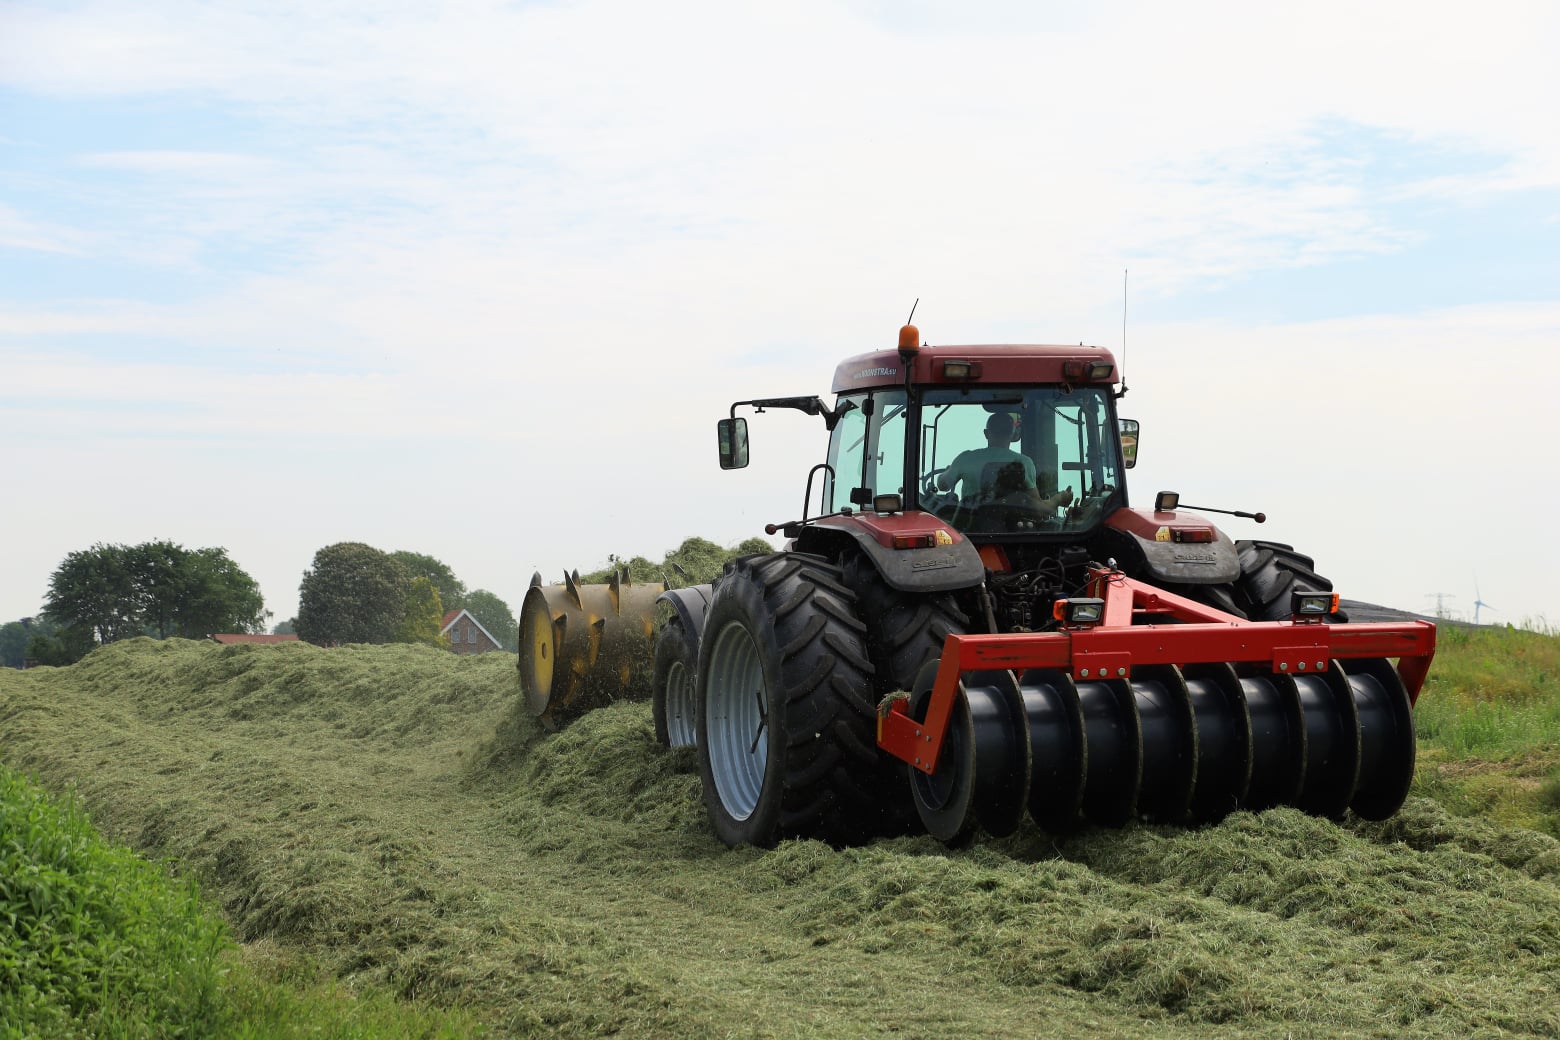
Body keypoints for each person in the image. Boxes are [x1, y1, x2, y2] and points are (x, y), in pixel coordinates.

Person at [936, 411, 1074, 515]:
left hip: (970, 528)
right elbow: (1038, 509)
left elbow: (942, 485)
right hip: (1012, 530)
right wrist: (1059, 499)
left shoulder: (965, 458)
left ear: (986, 433)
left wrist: (949, 471)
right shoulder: (1023, 463)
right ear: (1014, 435)